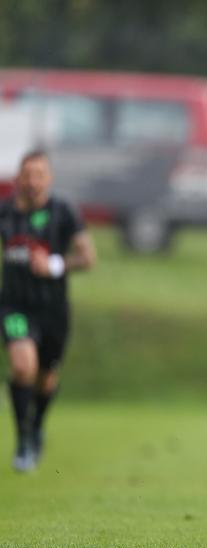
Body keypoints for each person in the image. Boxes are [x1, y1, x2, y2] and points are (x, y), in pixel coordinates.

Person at [1, 150, 97, 472]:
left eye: (39, 175)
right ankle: (23, 443)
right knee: (22, 366)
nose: (32, 181)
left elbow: (88, 258)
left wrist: (54, 265)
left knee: (46, 379)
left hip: (53, 310)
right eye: (27, 174)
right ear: (18, 178)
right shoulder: (5, 213)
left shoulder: (63, 211)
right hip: (14, 305)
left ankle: (37, 426)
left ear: (49, 179)